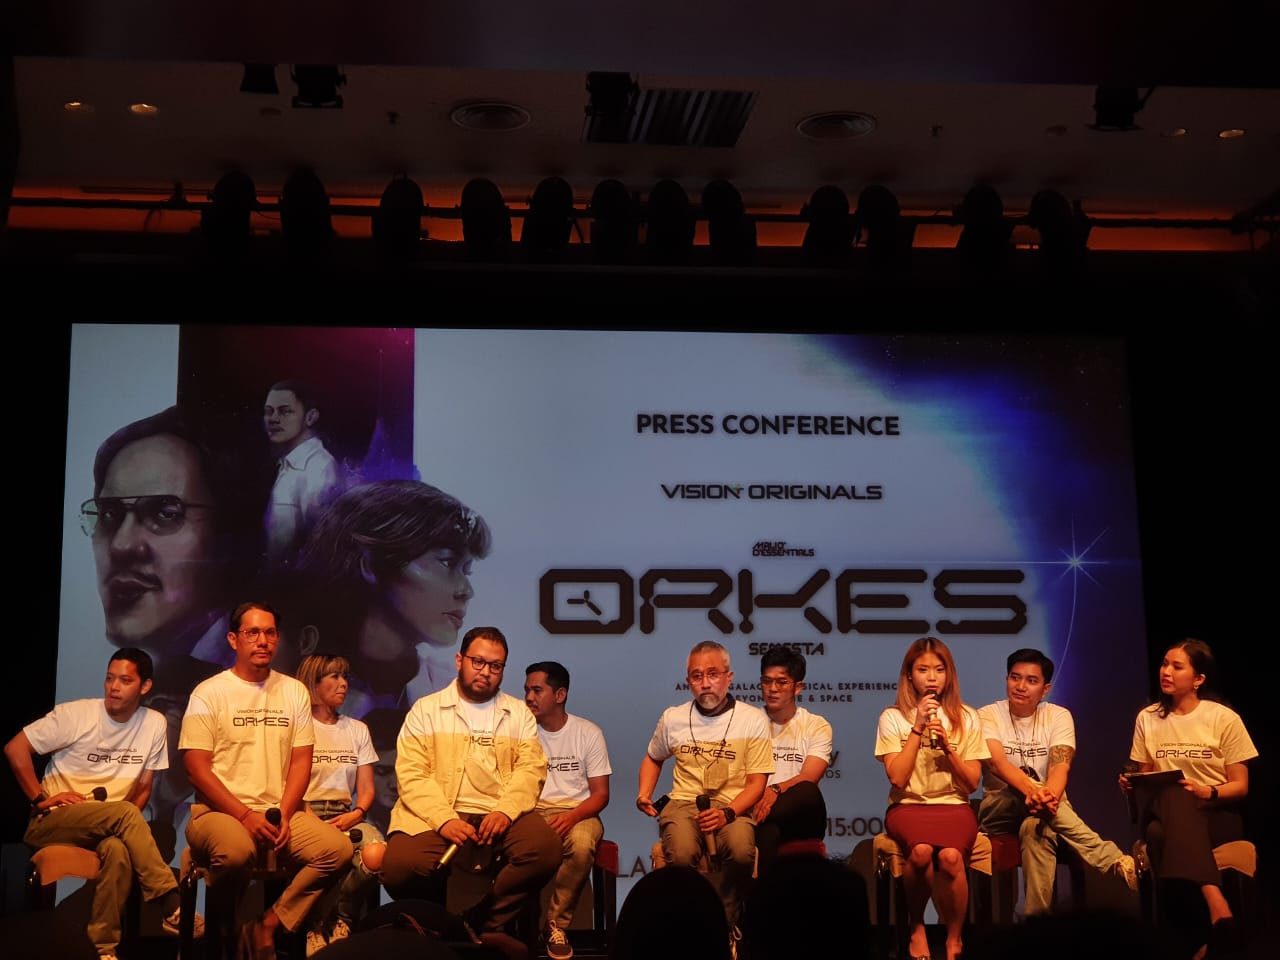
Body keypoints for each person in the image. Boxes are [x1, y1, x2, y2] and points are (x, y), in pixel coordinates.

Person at [179, 602, 353, 960]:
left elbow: (301, 761)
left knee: (337, 849)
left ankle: (268, 925)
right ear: (233, 639)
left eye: (270, 633)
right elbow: (196, 768)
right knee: (235, 853)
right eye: (252, 633)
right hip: (219, 813)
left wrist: (286, 813)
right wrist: (245, 816)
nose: (262, 641)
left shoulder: (293, 691)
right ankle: (223, 939)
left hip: (279, 812)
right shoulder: (209, 692)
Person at [3, 648, 202, 960]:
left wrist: (120, 822)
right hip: (52, 821)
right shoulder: (76, 715)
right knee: (125, 814)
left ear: (145, 686)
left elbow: (144, 787)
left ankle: (103, 949)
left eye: (125, 680)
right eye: (110, 678)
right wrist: (40, 799)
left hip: (105, 825)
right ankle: (169, 902)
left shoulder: (154, 723)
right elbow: (15, 749)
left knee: (118, 850)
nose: (114, 687)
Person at [379, 626, 561, 937]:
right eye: (478, 661)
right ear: (459, 660)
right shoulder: (426, 710)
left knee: (545, 849)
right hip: (440, 810)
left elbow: (531, 770)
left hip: (498, 811)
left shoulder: (518, 713)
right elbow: (412, 773)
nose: (486, 672)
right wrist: (444, 819)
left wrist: (505, 811)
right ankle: (435, 928)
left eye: (495, 666)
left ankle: (477, 922)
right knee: (400, 867)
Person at [288, 479, 493, 716]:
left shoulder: (456, 693)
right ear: (372, 565)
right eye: (447, 563)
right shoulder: (295, 688)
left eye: (467, 570)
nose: (466, 591)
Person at [1120, 639, 1257, 959]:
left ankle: (1186, 944)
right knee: (1173, 794)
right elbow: (1146, 778)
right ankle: (1215, 904)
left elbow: (1240, 786)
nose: (1165, 672)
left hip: (1215, 813)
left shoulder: (1223, 718)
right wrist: (1131, 783)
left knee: (1159, 836)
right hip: (1163, 808)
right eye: (1164, 664)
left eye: (1177, 666)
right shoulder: (1148, 717)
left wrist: (1206, 791)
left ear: (1198, 679)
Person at [976, 648, 1137, 915]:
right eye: (1015, 678)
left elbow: (1060, 767)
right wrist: (1035, 791)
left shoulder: (1058, 716)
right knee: (1019, 788)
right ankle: (1112, 859)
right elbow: (997, 764)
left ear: (1045, 689)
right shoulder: (987, 715)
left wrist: (1046, 798)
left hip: (1046, 809)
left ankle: (1035, 925)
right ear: (1006, 679)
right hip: (999, 811)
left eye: (1031, 680)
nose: (1020, 686)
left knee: (1035, 829)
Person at [637, 640, 773, 954]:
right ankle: (687, 927)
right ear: (688, 681)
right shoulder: (673, 717)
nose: (705, 683)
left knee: (741, 852)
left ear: (729, 677)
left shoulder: (752, 719)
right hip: (684, 802)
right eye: (697, 676)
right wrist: (644, 793)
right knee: (682, 854)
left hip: (733, 805)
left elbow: (757, 784)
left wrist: (727, 813)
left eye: (713, 674)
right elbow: (653, 757)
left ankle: (724, 923)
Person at [875, 636, 988, 960]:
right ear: (910, 675)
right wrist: (917, 728)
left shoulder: (967, 716)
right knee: (921, 852)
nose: (932, 677)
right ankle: (917, 926)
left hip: (954, 807)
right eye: (923, 670)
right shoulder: (892, 717)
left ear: (949, 674)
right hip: (908, 807)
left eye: (939, 669)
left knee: (951, 857)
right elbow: (898, 778)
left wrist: (949, 748)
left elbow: (971, 783)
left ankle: (954, 937)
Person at [295, 653, 388, 956]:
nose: (343, 684)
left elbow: (367, 789)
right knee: (332, 852)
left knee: (376, 854)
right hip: (304, 813)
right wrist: (310, 818)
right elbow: (286, 785)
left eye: (345, 676)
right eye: (334, 676)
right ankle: (315, 925)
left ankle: (337, 919)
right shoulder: (298, 728)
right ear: (314, 682)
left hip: (345, 815)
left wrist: (357, 813)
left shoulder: (357, 729)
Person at [523, 661, 612, 960]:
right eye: (527, 690)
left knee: (582, 844)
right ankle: (515, 929)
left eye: (537, 690)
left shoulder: (588, 732)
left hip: (579, 810)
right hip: (531, 810)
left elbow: (601, 795)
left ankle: (555, 925)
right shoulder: (520, 732)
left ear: (560, 695)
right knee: (516, 844)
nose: (529, 697)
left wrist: (572, 816)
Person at [750, 648, 832, 871]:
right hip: (760, 811)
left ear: (798, 687)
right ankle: (769, 893)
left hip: (801, 816)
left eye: (781, 682)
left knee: (808, 790)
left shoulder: (815, 725)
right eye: (767, 681)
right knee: (770, 831)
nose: (772, 689)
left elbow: (809, 777)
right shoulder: (748, 721)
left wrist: (774, 791)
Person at [262, 381, 343, 572]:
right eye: (268, 411)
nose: (273, 419)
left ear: (310, 417)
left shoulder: (319, 468)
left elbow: (320, 548)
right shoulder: (287, 464)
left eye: (285, 411)